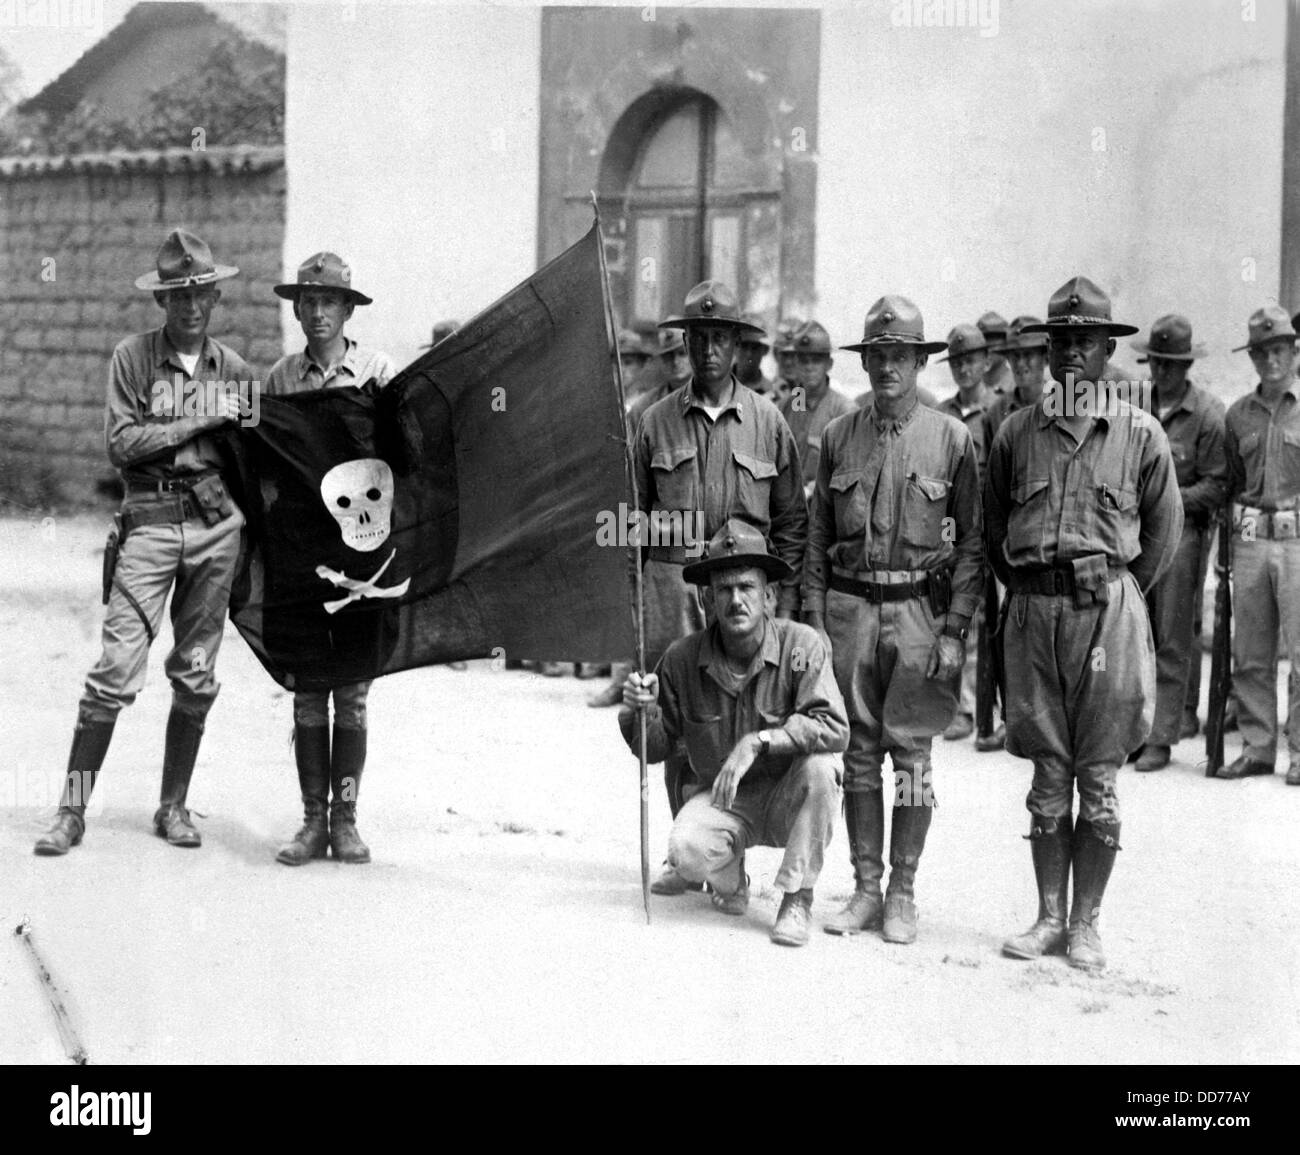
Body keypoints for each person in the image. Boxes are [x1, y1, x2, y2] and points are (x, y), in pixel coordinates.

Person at [986, 276, 1181, 971]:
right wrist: (1036, 588)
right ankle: (1045, 915)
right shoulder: (1015, 432)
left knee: (1098, 773)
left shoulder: (1140, 433)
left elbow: (1162, 533)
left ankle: (1087, 923)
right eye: (1061, 340)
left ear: (1106, 350)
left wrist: (1118, 591)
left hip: (1107, 617)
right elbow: (990, 531)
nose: (1071, 353)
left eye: (1086, 342)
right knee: (1047, 769)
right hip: (1034, 615)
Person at [35, 229, 251, 855]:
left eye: (201, 294)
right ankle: (71, 812)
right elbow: (121, 444)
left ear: (214, 298)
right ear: (161, 301)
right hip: (150, 522)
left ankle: (174, 807)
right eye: (178, 295)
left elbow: (262, 442)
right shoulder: (131, 359)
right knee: (113, 670)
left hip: (215, 528)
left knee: (197, 670)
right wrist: (204, 418)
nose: (190, 306)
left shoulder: (235, 369)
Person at [806, 296, 982, 945]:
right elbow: (818, 539)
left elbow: (972, 546)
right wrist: (814, 625)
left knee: (911, 760)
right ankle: (864, 887)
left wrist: (957, 630)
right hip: (851, 610)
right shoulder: (837, 437)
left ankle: (903, 888)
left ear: (918, 359)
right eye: (877, 355)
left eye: (899, 355)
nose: (887, 367)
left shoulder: (951, 438)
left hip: (918, 615)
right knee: (855, 756)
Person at [633, 280, 808, 895]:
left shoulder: (767, 422)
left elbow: (789, 520)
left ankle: (737, 850)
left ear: (737, 345)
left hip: (744, 595)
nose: (708, 350)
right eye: (699, 338)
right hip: (677, 590)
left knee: (747, 717)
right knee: (681, 719)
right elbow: (632, 517)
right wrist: (640, 594)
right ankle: (688, 851)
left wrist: (777, 599)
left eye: (720, 339)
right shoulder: (653, 422)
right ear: (688, 342)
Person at [620, 520, 847, 946]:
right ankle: (730, 882)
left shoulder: (803, 646)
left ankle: (797, 899)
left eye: (746, 587)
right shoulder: (682, 659)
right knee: (685, 849)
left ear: (769, 596)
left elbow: (833, 725)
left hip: (787, 797)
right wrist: (639, 710)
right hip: (725, 802)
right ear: (707, 601)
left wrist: (759, 742)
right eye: (723, 590)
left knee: (821, 770)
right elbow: (657, 747)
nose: (736, 599)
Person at [265, 251, 398, 865]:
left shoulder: (377, 373)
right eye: (308, 301)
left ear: (349, 309)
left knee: (352, 693)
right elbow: (264, 470)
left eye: (329, 302)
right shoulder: (279, 381)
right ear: (297, 308)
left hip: (360, 550)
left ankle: (345, 820)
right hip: (302, 552)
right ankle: (311, 821)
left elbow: (401, 459)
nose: (317, 312)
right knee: (306, 691)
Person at [1127, 316, 1226, 772]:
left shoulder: (1207, 413)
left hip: (1182, 534)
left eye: (1171, 365)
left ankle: (1162, 737)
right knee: (1130, 633)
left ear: (1186, 366)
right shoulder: (1134, 406)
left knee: (1172, 634)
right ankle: (1132, 730)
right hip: (1132, 534)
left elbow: (1216, 485)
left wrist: (1165, 499)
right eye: (1156, 364)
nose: (1162, 373)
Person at [1218, 305, 1300, 784]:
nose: (1271, 360)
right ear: (1252, 358)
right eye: (1261, 352)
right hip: (1248, 539)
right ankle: (1257, 746)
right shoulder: (1237, 416)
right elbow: (1230, 484)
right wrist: (1222, 557)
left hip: (1296, 541)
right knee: (1250, 652)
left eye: (1279, 350)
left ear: (1293, 352)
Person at [935, 323, 997, 743]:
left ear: (986, 363)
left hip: (990, 524)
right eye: (956, 362)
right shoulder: (943, 414)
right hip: (955, 526)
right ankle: (962, 706)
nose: (964, 369)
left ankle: (993, 706)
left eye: (971, 360)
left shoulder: (998, 410)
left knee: (996, 618)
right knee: (959, 615)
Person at [778, 320, 856, 498]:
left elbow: (847, 470)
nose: (809, 367)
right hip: (788, 509)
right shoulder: (786, 406)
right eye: (804, 361)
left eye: (816, 360)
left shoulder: (844, 410)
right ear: (796, 363)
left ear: (829, 364)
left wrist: (811, 490)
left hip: (824, 509)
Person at [735, 314, 776, 397]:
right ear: (735, 347)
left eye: (755, 348)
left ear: (765, 350)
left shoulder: (772, 393)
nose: (749, 354)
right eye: (744, 346)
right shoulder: (718, 386)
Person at [976, 310, 1012, 394]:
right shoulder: (971, 389)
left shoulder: (1021, 387)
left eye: (992, 338)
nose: (985, 346)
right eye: (980, 339)